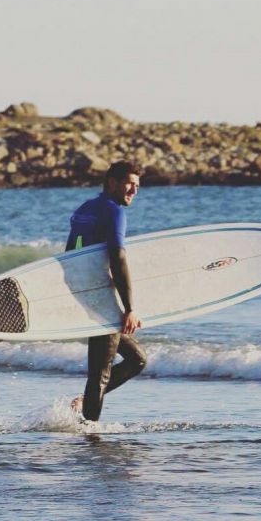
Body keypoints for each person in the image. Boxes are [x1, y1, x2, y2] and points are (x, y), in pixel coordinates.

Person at [67, 161, 146, 421]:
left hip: (87, 294)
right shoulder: (113, 212)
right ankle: (90, 434)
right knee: (100, 373)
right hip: (103, 299)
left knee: (137, 360)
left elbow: (70, 256)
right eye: (129, 184)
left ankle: (84, 402)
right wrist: (130, 309)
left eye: (137, 185)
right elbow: (118, 259)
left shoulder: (84, 210)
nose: (134, 190)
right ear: (112, 182)